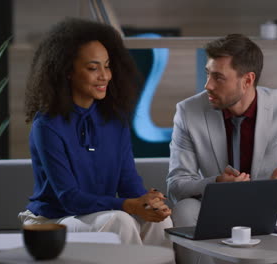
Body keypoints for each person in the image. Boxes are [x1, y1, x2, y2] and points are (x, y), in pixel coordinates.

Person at [167, 34, 277, 264]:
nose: (208, 85)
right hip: (216, 210)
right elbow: (176, 185)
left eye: (218, 77)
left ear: (247, 80)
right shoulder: (188, 112)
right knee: (185, 210)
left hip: (273, 209)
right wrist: (216, 183)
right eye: (208, 74)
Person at [19, 18, 173, 254]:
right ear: (67, 71)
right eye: (93, 68)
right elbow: (69, 198)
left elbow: (128, 181)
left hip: (99, 215)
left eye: (107, 65)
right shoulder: (47, 126)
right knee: (119, 221)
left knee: (159, 220)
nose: (104, 76)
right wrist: (127, 205)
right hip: (53, 221)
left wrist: (147, 202)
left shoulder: (115, 120)